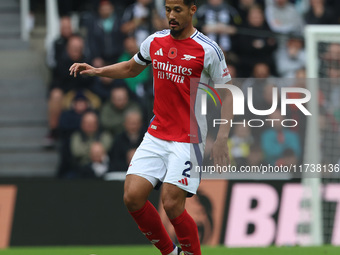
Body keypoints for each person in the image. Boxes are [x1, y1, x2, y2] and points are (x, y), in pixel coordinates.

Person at [69, 0, 233, 254]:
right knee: (132, 197)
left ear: (192, 10)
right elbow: (130, 68)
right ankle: (170, 252)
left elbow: (228, 94)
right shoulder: (154, 41)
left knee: (171, 203)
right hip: (157, 133)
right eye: (168, 10)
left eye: (177, 10)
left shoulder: (208, 49)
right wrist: (97, 70)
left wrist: (222, 137)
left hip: (189, 139)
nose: (171, 16)